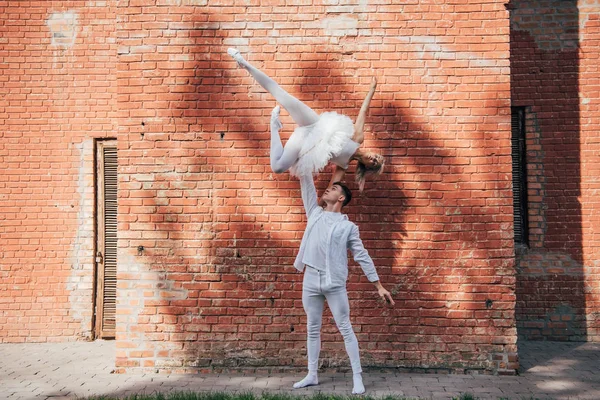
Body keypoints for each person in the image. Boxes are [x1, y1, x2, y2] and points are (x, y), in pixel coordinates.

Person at [291, 165, 395, 394]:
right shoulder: (314, 213)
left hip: (334, 283)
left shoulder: (348, 227)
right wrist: (304, 157)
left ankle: (357, 377)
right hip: (310, 280)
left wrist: (378, 285)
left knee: (345, 328)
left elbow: (362, 255)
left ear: (340, 198)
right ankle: (312, 375)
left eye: (333, 188)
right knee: (312, 328)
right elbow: (306, 183)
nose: (326, 190)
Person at [228, 48, 385, 191]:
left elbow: (332, 187)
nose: (374, 159)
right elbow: (363, 112)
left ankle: (274, 126)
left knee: (278, 167)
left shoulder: (343, 166)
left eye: (374, 163)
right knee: (283, 96)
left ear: (366, 166)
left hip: (304, 142)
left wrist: (321, 210)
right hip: (313, 124)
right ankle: (244, 63)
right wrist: (372, 89)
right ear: (373, 152)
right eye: (376, 157)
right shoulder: (358, 139)